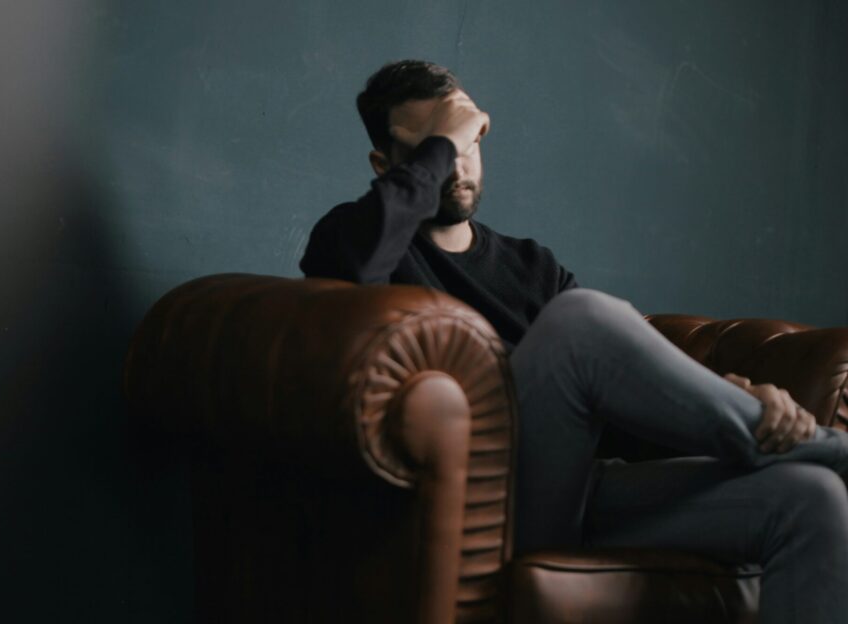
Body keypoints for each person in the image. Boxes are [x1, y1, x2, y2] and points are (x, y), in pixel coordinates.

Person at [300, 59, 848, 624]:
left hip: (580, 491)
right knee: (580, 319)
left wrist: (726, 395)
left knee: (812, 499)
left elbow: (615, 402)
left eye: (470, 140)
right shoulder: (352, 236)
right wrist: (446, 137)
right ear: (384, 164)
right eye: (438, 147)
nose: (457, 164)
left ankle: (791, 448)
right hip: (485, 506)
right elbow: (353, 272)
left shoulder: (531, 265)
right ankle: (826, 448)